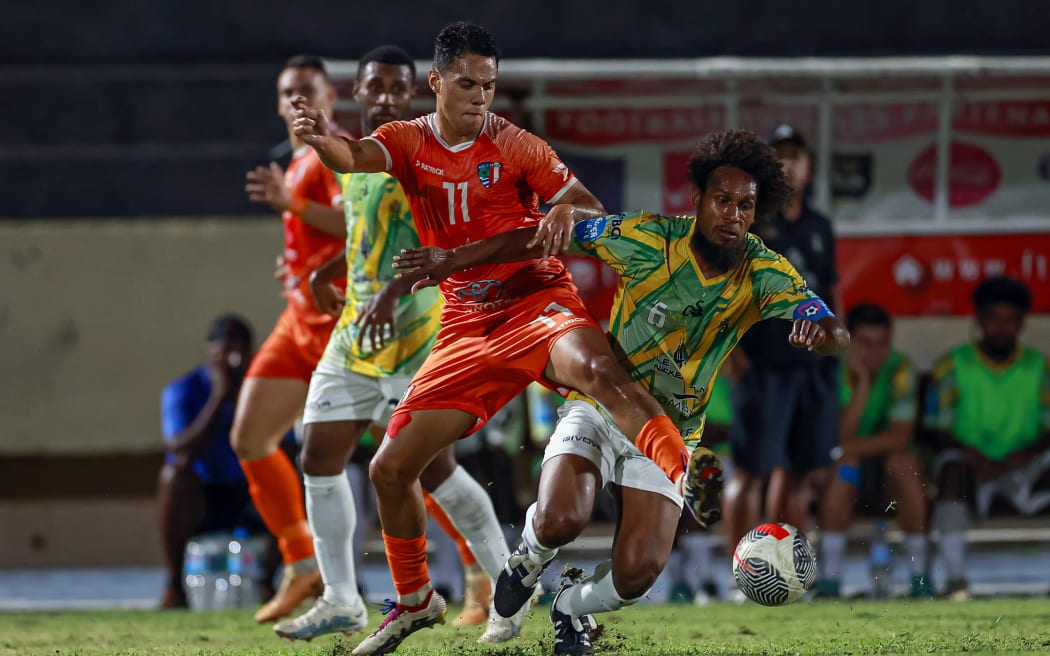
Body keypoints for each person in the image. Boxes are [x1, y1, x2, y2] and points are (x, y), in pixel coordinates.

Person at [291, 22, 722, 655]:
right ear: (436, 81)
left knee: (602, 373)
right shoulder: (407, 142)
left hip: (536, 302)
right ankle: (414, 602)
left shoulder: (515, 144)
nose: (479, 97)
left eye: (489, 85)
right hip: (467, 325)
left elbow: (588, 206)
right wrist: (320, 138)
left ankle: (685, 472)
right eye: (467, 83)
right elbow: (353, 156)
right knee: (389, 469)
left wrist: (565, 211)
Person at [393, 129, 851, 655]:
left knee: (635, 576)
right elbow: (540, 238)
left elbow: (832, 328)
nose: (733, 215)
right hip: (603, 405)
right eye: (722, 201)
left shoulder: (764, 270)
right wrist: (454, 260)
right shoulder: (648, 237)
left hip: (671, 431)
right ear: (698, 199)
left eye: (745, 206)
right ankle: (529, 556)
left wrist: (823, 334)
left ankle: (570, 606)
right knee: (562, 518)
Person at [271, 45, 513, 643]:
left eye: (396, 89)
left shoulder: (422, 157)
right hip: (355, 335)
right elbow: (365, 236)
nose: (385, 98)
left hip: (417, 336)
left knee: (435, 474)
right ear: (357, 92)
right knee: (317, 457)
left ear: (414, 93)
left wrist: (390, 292)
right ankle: (341, 598)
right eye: (375, 87)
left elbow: (442, 246)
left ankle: (509, 584)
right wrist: (326, 275)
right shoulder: (357, 160)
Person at [236, 54, 348, 624]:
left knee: (411, 457)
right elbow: (315, 241)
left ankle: (478, 573)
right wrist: (296, 261)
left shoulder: (337, 152)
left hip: (344, 324)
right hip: (296, 319)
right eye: (288, 92)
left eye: (308, 90)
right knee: (251, 436)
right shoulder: (297, 160)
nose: (297, 100)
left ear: (331, 97)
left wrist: (292, 205)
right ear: (278, 103)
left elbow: (360, 226)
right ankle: (302, 562)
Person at [724, 123, 843, 553]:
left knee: (798, 472)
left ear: (809, 167)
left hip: (811, 367)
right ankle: (741, 570)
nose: (789, 165)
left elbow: (831, 290)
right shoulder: (747, 219)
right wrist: (733, 353)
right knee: (751, 471)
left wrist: (836, 342)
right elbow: (723, 291)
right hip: (762, 365)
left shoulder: (820, 225)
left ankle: (785, 567)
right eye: (780, 158)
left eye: (797, 156)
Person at [926, 276, 1050, 600]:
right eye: (994, 318)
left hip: (1024, 466)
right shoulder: (951, 366)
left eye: (1011, 320)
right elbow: (936, 430)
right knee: (950, 472)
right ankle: (956, 582)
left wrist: (1019, 458)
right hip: (971, 467)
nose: (1002, 327)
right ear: (979, 321)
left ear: (1022, 324)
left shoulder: (1041, 367)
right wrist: (978, 460)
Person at [158, 315, 279, 608]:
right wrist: (218, 399)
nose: (233, 361)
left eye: (239, 353)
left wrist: (242, 400)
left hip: (250, 491)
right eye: (225, 352)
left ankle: (268, 583)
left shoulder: (263, 389)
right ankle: (175, 585)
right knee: (174, 475)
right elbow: (179, 446)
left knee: (291, 474)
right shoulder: (186, 389)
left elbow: (282, 442)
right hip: (204, 495)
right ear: (211, 352)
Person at [814, 303, 931, 599]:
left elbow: (898, 438)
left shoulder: (901, 368)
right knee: (845, 464)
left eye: (882, 343)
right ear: (849, 342)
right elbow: (838, 435)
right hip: (847, 476)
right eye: (865, 343)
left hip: (889, 478)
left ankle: (920, 577)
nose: (875, 352)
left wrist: (844, 447)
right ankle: (831, 579)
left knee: (903, 462)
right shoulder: (834, 369)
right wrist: (862, 383)